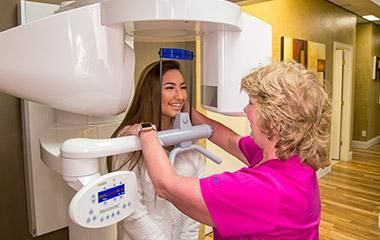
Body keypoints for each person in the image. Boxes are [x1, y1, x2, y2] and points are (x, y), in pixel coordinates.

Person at [126, 60, 331, 239]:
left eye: (251, 103)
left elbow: (167, 186)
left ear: (274, 120)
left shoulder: (264, 189)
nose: (245, 110)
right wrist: (189, 110)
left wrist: (146, 132)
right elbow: (231, 141)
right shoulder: (290, 156)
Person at [107, 60, 204, 240]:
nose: (180, 96)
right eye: (170, 87)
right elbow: (131, 212)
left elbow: (194, 208)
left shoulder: (190, 140)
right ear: (151, 93)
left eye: (182, 87)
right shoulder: (128, 141)